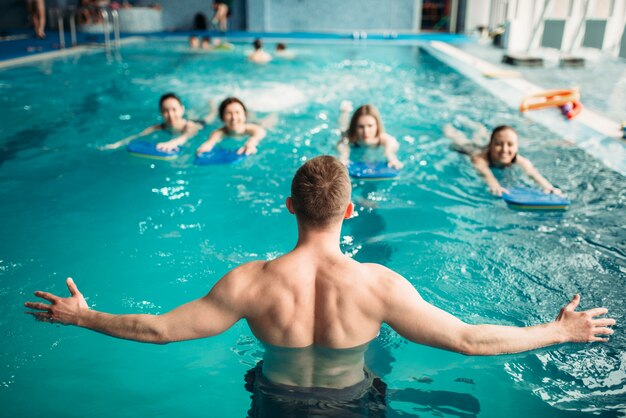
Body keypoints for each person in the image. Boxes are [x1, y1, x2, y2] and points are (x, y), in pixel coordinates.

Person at [25, 155, 614, 416]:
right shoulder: (378, 285)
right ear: (352, 210)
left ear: (287, 206)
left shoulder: (249, 283)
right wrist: (559, 330)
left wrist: (84, 316)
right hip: (352, 403)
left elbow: (160, 331)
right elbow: (468, 341)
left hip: (274, 402)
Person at [444, 117, 563, 196]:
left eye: (510, 144)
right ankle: (449, 126)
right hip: (471, 150)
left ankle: (480, 130)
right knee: (459, 140)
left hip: (485, 147)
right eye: (498, 144)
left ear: (517, 147)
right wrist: (495, 186)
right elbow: (486, 174)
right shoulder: (479, 159)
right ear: (491, 145)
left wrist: (549, 187)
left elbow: (534, 174)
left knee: (479, 136)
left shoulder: (521, 161)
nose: (505, 150)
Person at [100, 93, 217, 152]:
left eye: (174, 110)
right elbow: (137, 136)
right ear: (161, 112)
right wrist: (117, 145)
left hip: (198, 124)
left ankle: (213, 106)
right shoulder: (157, 128)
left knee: (209, 117)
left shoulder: (190, 127)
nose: (170, 114)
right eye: (166, 111)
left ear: (182, 109)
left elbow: (185, 137)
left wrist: (172, 143)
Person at [196, 97, 276, 156]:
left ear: (244, 115)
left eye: (237, 112)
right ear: (222, 118)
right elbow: (211, 142)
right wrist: (204, 148)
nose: (234, 118)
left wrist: (251, 143)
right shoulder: (219, 133)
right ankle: (212, 106)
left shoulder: (253, 129)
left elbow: (259, 132)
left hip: (255, 123)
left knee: (268, 122)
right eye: (229, 113)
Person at [337, 102, 403, 169]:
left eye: (370, 126)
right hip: (347, 133)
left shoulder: (383, 139)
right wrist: (343, 159)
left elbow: (391, 145)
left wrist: (392, 158)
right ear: (355, 127)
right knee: (342, 128)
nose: (366, 131)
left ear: (377, 126)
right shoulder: (349, 138)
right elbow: (342, 149)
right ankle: (344, 112)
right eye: (361, 127)